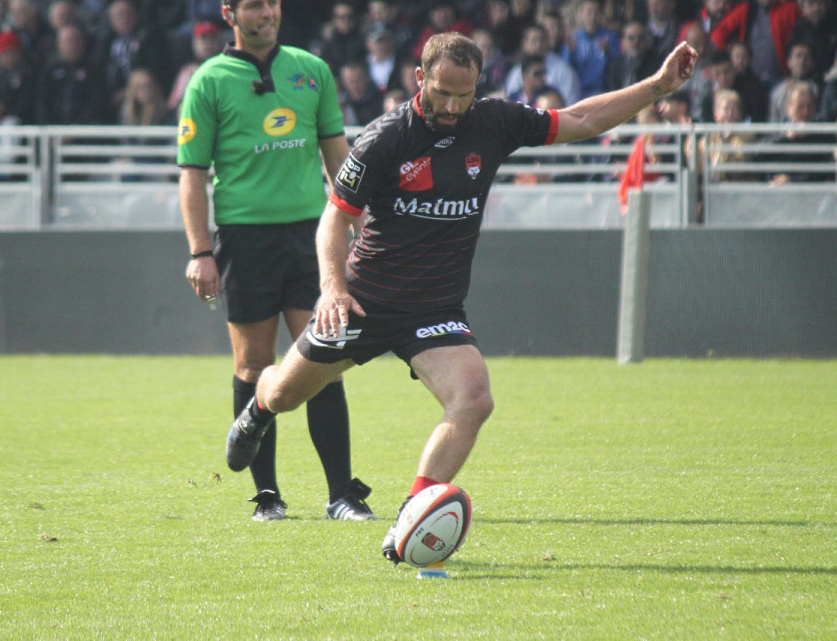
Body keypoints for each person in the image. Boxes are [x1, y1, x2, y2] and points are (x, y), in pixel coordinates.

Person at [223, 31, 698, 563]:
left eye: (463, 94)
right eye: (441, 92)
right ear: (419, 78)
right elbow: (335, 217)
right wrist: (333, 286)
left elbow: (582, 119)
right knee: (287, 394)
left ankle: (408, 520)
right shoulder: (384, 140)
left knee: (473, 398)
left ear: (479, 86)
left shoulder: (493, 121)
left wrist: (659, 85)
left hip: (434, 309)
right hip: (366, 301)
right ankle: (258, 411)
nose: (451, 106)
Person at [177, 0, 374, 523]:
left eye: (272, 2)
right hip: (243, 240)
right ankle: (267, 497)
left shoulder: (312, 70)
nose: (266, 13)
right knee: (255, 364)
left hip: (310, 237)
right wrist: (200, 252)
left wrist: (362, 229)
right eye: (254, 5)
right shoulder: (208, 81)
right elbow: (192, 174)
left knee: (323, 360)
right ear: (229, 15)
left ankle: (342, 495)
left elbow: (339, 156)